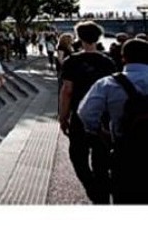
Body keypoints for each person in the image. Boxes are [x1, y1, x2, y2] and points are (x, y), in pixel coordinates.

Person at [78, 38, 148, 204]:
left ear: (123, 57)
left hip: (126, 152)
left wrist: (101, 132)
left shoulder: (107, 84)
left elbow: (86, 113)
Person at [58, 20, 116, 204]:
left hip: (79, 115)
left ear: (79, 38)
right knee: (101, 157)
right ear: (98, 38)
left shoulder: (72, 61)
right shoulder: (107, 62)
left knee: (77, 156)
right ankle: (102, 188)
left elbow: (67, 90)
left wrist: (63, 116)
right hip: (103, 117)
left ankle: (92, 187)